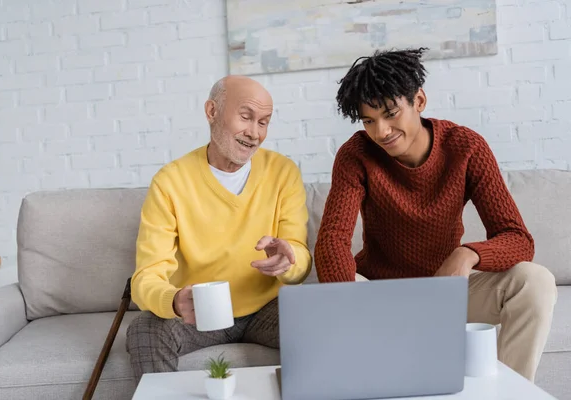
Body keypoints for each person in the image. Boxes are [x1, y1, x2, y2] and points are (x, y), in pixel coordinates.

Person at [314, 48, 557, 382]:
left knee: (535, 281)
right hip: (383, 299)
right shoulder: (355, 155)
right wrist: (351, 308)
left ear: (419, 100)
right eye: (369, 120)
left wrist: (467, 254)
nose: (381, 131)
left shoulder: (466, 148)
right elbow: (332, 242)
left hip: (447, 293)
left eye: (391, 114)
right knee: (337, 288)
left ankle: (510, 391)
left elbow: (517, 239)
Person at [126, 75, 312, 380]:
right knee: (144, 330)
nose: (254, 133)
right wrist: (174, 300)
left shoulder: (283, 172)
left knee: (321, 320)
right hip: (201, 314)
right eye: (246, 117)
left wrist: (289, 258)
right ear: (212, 111)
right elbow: (146, 276)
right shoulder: (170, 181)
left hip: (269, 308)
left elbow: (301, 257)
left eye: (263, 122)